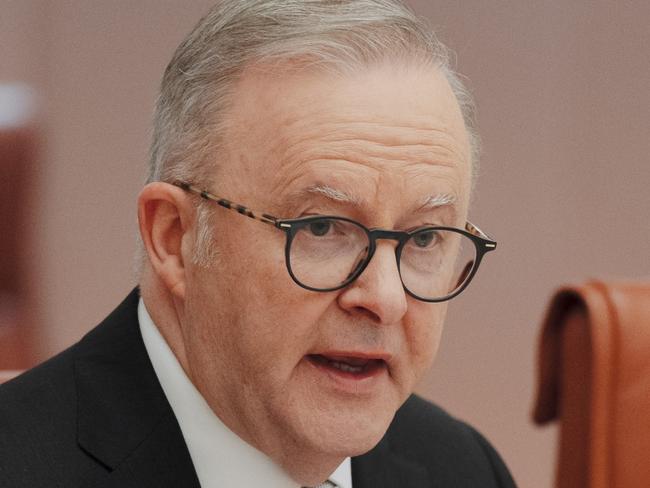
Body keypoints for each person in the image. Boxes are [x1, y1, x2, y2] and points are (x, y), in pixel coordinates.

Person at [0, 1, 516, 487]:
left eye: (423, 237)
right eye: (321, 229)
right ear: (174, 239)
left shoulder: (462, 468)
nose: (385, 299)